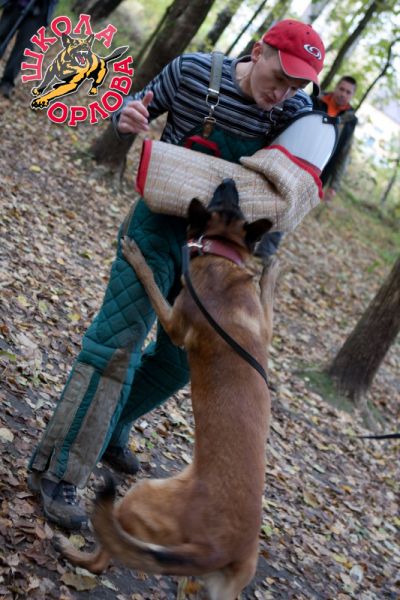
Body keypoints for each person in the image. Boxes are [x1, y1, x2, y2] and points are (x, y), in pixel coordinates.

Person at [28, 19, 326, 530]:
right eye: (280, 77)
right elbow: (136, 107)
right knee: (116, 346)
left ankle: (112, 426)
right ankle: (58, 472)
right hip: (156, 229)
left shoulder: (295, 115)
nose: (283, 93)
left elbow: (289, 188)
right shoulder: (192, 72)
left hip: (215, 256)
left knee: (177, 364)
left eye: (297, 85)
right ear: (258, 51)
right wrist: (127, 116)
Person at [312, 76, 358, 201]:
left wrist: (334, 186)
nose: (343, 94)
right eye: (341, 89)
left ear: (352, 95)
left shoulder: (350, 121)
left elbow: (344, 154)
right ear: (336, 87)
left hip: (320, 174)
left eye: (348, 92)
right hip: (297, 160)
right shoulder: (316, 101)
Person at [0, 0, 58, 98]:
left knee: (23, 47)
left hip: (38, 12)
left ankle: (7, 82)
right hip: (14, 4)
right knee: (2, 34)